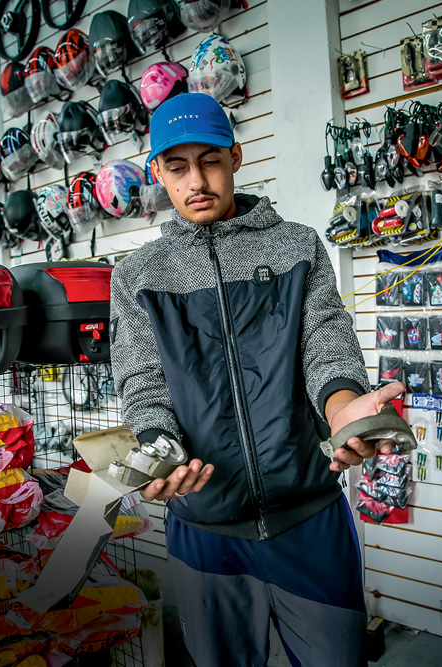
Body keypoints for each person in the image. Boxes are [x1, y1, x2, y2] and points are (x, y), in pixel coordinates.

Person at [109, 92, 406, 666]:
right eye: (178, 167)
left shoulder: (295, 246)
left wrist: (346, 410)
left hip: (310, 518)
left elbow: (325, 342)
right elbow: (143, 384)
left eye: (211, 161)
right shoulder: (138, 275)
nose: (197, 180)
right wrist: (157, 453)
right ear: (158, 175)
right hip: (206, 528)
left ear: (236, 157)